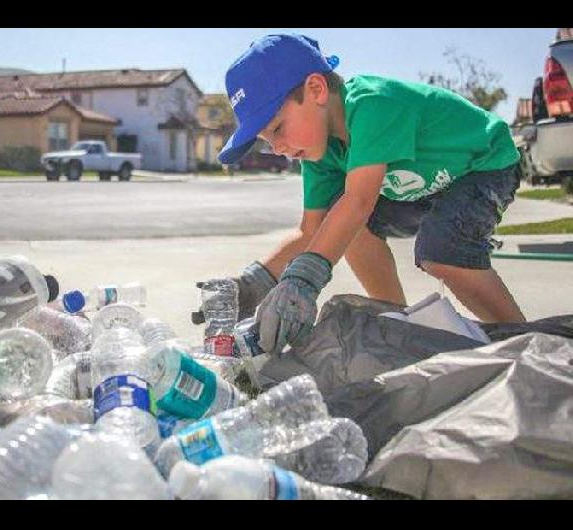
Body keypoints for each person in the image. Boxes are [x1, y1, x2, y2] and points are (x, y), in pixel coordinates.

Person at [197, 33, 525, 356]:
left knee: (443, 251)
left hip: (483, 166)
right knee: (343, 225)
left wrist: (304, 281)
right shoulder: (318, 153)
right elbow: (312, 231)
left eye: (278, 128)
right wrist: (253, 284)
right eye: (267, 140)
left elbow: (359, 201)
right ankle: (399, 323)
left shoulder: (373, 104)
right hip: (423, 186)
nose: (279, 148)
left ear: (316, 89)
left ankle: (525, 342)